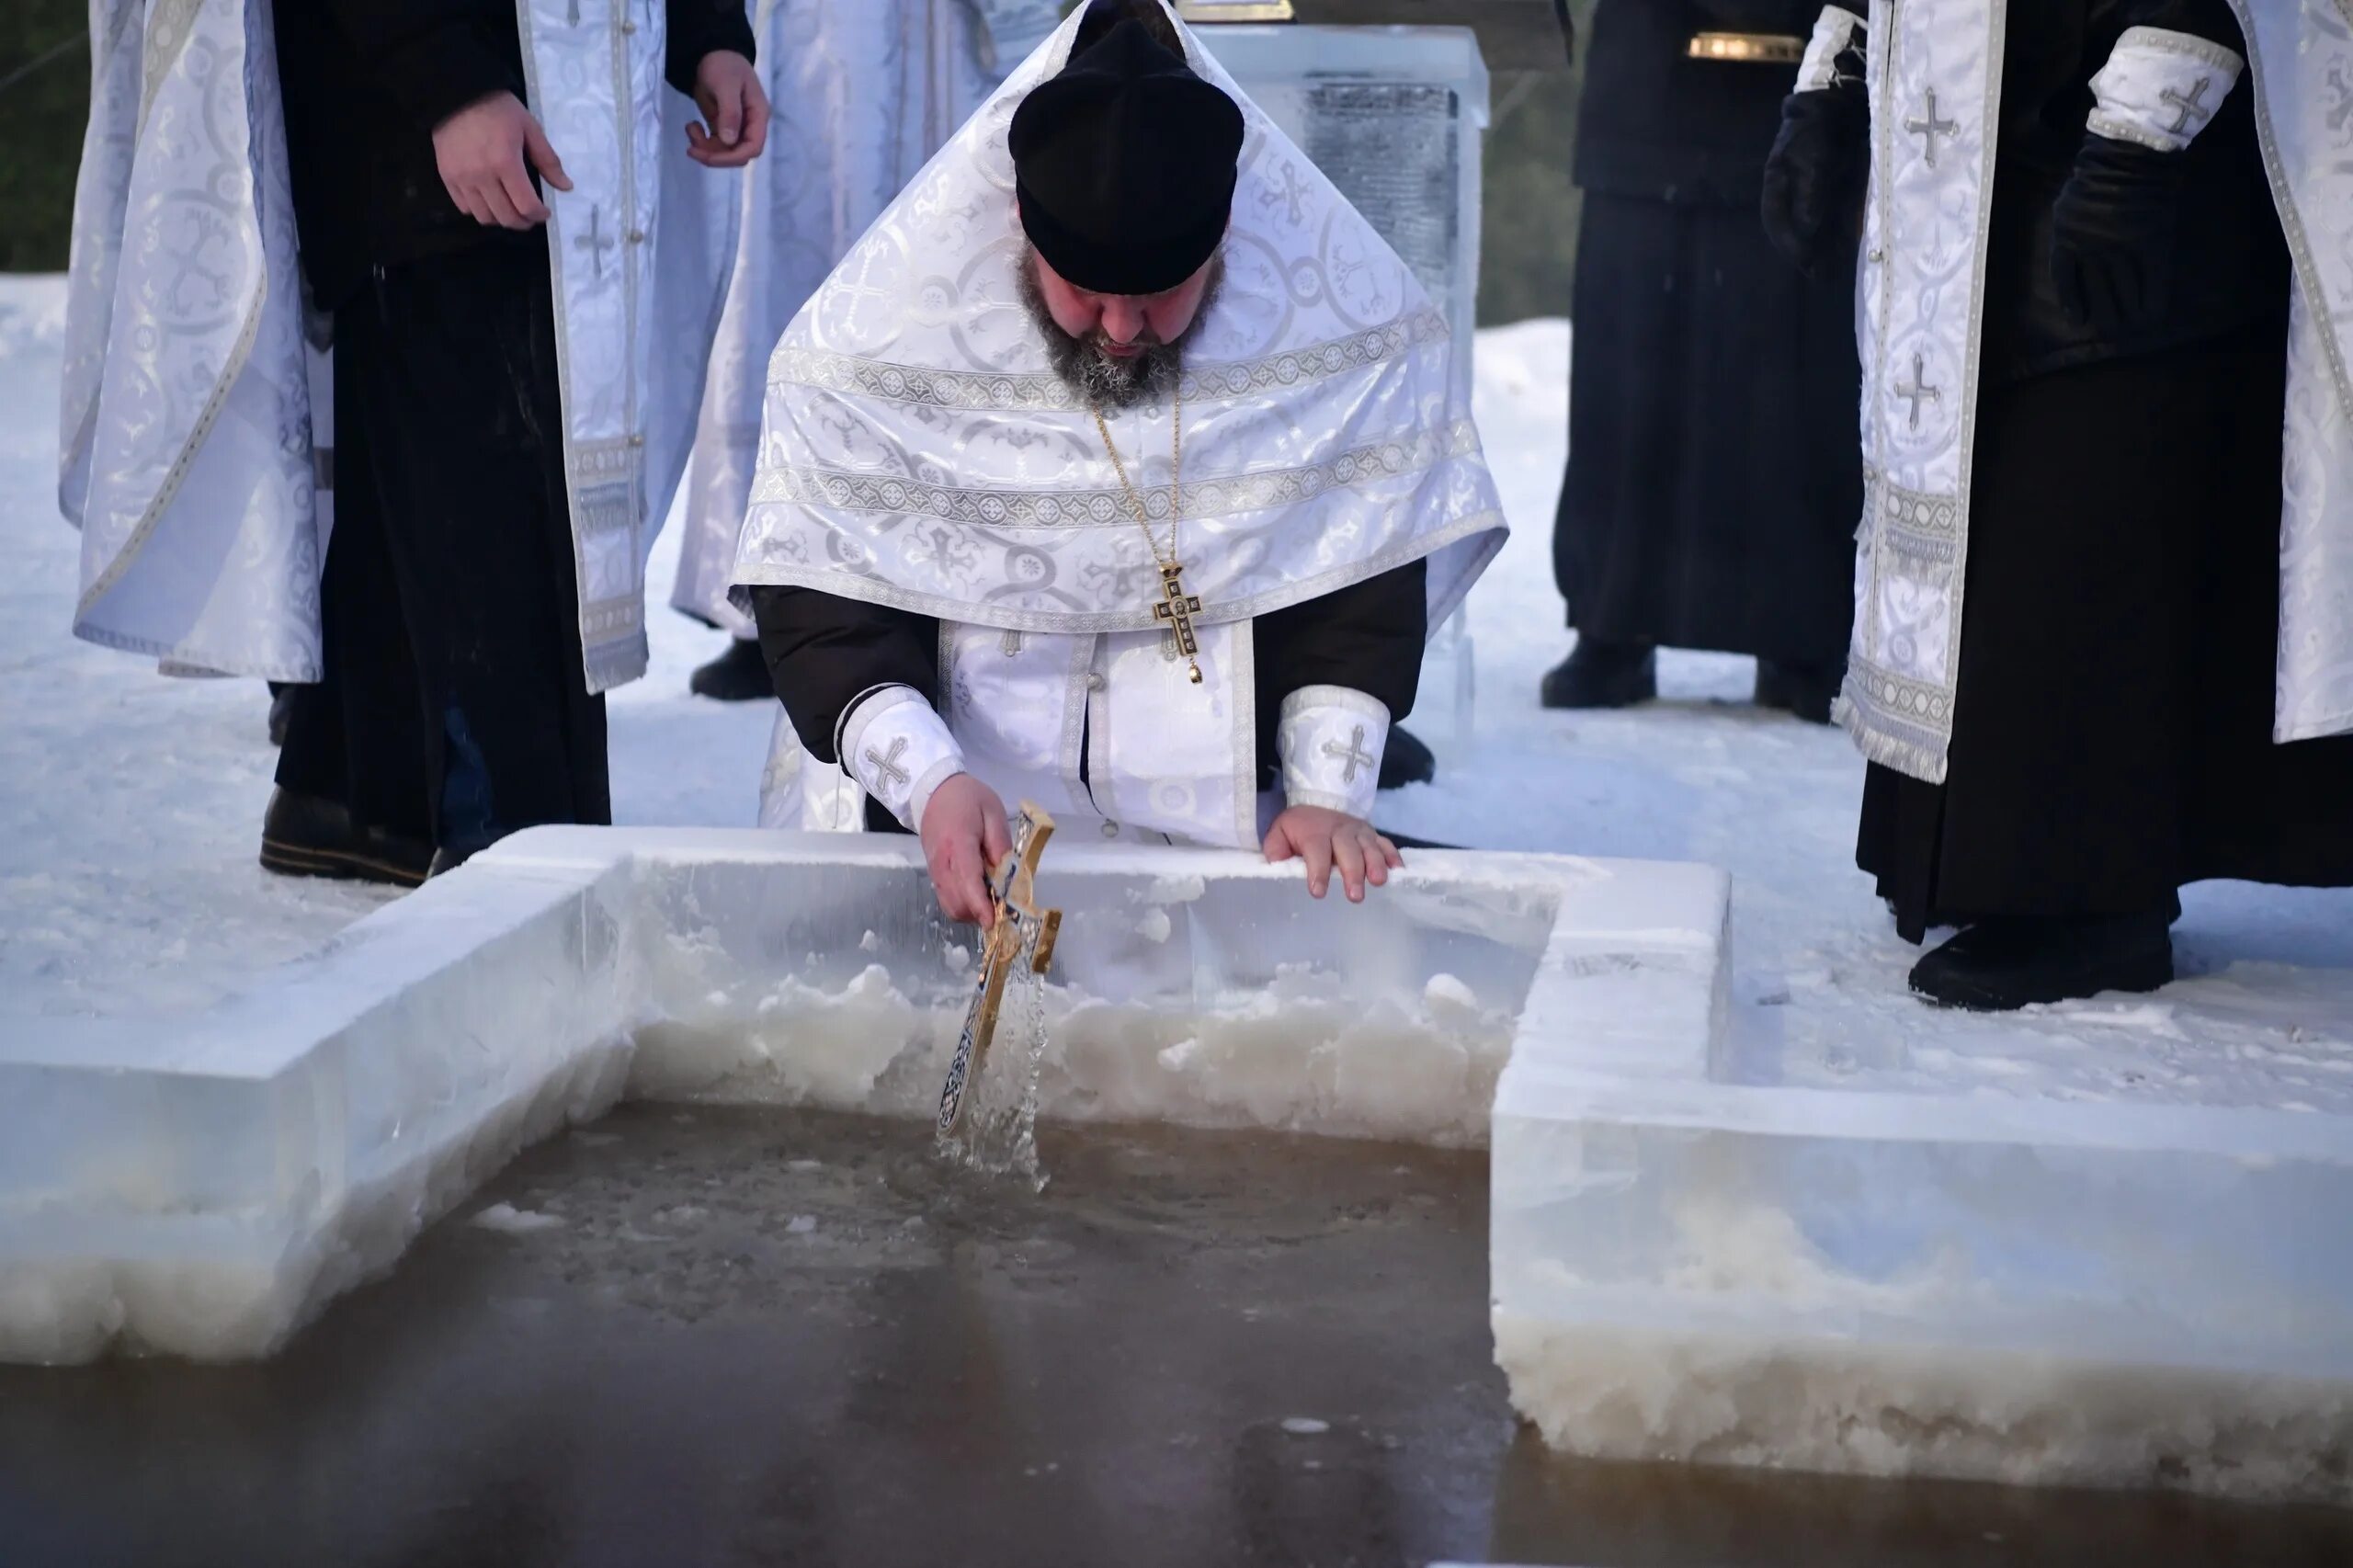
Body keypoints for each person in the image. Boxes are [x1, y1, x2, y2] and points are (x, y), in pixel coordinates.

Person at [732, 0, 1507, 922]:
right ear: (1020, 218)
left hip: (1232, 843)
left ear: (1223, 237)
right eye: (1085, 294)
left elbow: (1354, 573)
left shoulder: (1346, 339)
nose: (1121, 331)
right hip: (938, 833)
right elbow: (828, 607)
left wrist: (1325, 797)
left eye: (1162, 297)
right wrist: (930, 779)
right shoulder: (869, 350)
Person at [61, 2, 765, 889]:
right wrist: (447, 82)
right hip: (421, 109)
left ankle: (357, 793)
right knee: (490, 463)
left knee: (447, 450)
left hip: (570, 85)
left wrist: (709, 31)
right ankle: (510, 850)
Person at [1763, 1, 2353, 1008]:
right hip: (1966, 133)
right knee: (1993, 498)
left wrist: (2141, 129)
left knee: (2082, 496)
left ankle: (2089, 896)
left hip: (2119, 129)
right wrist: (1834, 80)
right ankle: (1981, 862)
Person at [671, 0, 1062, 704]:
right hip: (786, 54)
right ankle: (771, 599)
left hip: (922, 46)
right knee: (774, 298)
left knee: (924, 294)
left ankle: (935, 595)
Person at [1542, 0, 1860, 722]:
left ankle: (1803, 634)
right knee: (1628, 367)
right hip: (1647, 87)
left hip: (1808, 79)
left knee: (1799, 382)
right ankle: (1613, 622)